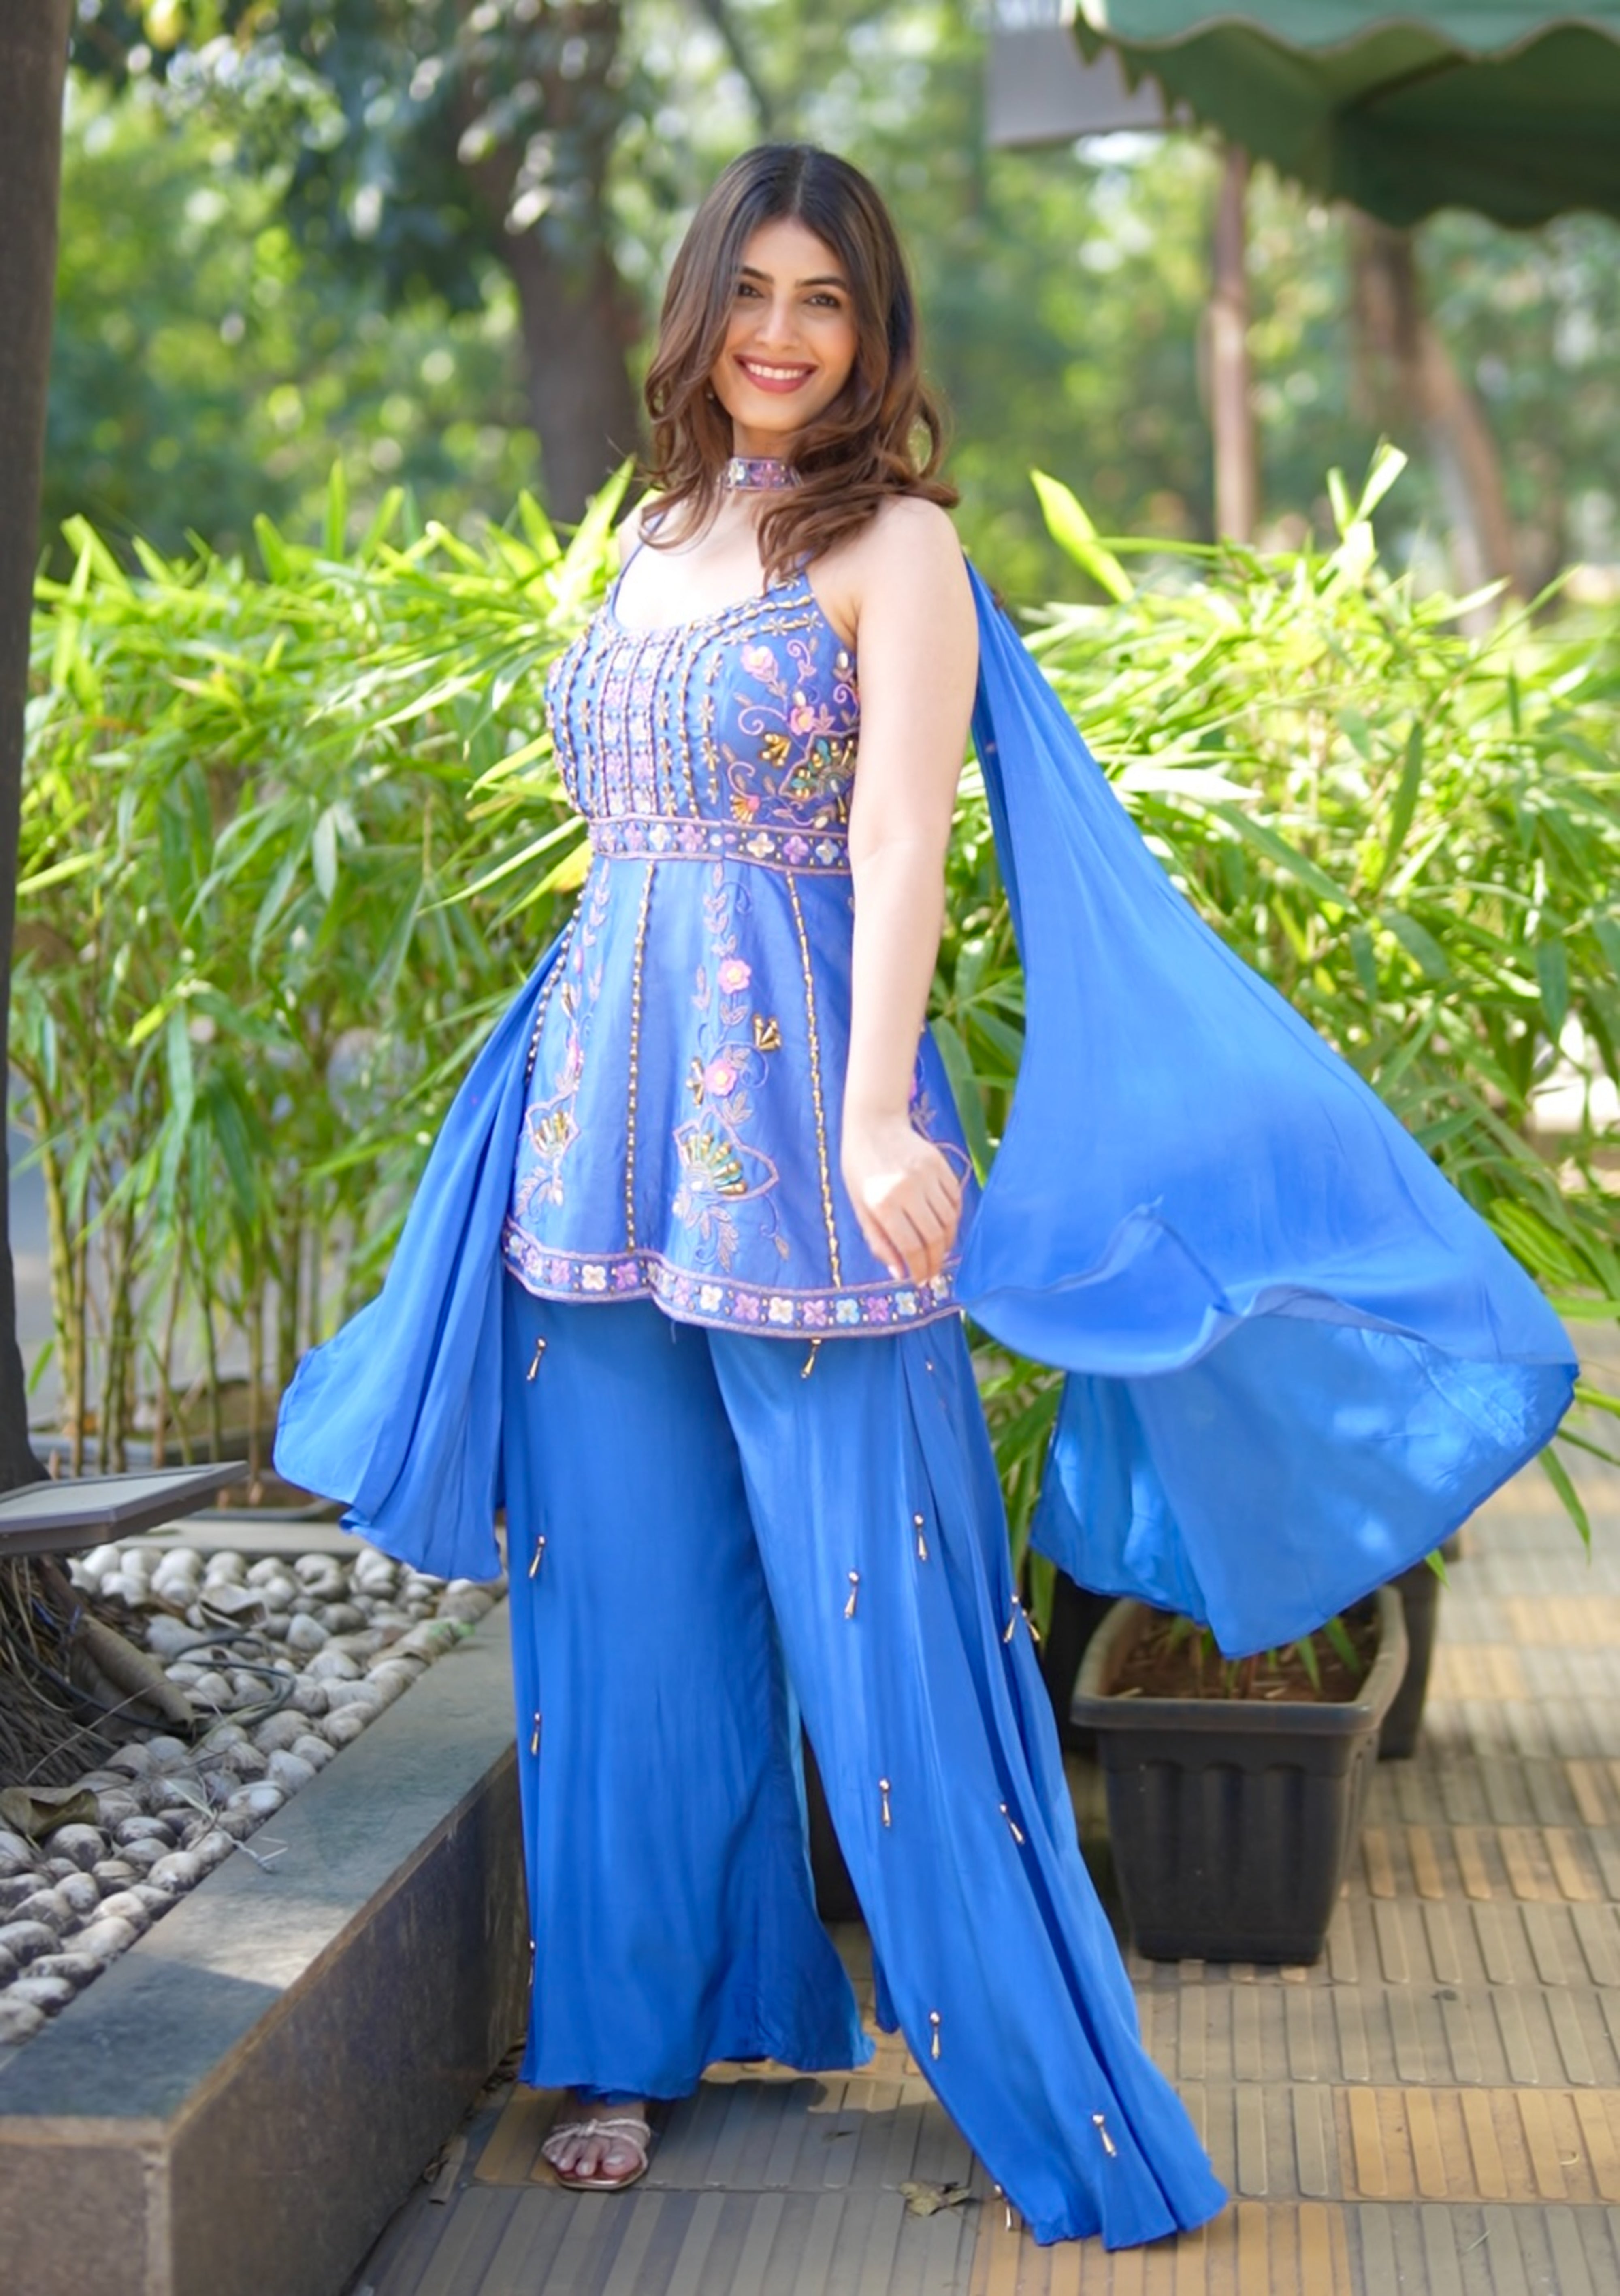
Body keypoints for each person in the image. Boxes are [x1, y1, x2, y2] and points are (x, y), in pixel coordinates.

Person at [275, 143, 1575, 2250]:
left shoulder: (897, 547)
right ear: (698, 311)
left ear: (875, 340)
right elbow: (628, 837)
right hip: (599, 1135)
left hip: (807, 1132)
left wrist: (881, 1119)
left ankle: (1044, 2079)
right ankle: (627, 2037)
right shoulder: (660, 520)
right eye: (756, 293)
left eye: (831, 302)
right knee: (621, 1609)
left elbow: (899, 847)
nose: (787, 333)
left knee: (897, 1629)